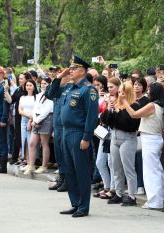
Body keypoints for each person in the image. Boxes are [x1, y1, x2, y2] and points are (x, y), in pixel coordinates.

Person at [48, 55, 99, 218]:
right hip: (65, 132)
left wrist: (86, 137)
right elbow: (51, 94)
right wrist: (59, 77)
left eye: (74, 68)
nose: (70, 70)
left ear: (83, 71)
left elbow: (92, 117)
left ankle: (83, 206)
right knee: (69, 170)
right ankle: (75, 203)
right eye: (70, 68)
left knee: (81, 171)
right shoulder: (70, 88)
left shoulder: (88, 90)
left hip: (78, 134)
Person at [121, 82, 164, 209]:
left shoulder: (152, 105)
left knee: (151, 171)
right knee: (157, 168)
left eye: (150, 89)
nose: (148, 91)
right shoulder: (160, 105)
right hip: (153, 138)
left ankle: (155, 201)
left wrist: (124, 101)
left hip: (150, 139)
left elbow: (134, 114)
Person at [101, 81, 140, 206]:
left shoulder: (134, 106)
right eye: (119, 92)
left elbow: (128, 124)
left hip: (128, 138)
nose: (120, 94)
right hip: (115, 137)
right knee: (116, 167)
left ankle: (132, 196)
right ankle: (118, 193)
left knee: (128, 168)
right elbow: (106, 121)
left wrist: (118, 109)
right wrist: (109, 109)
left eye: (122, 92)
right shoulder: (116, 104)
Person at [25, 78, 54, 175]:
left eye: (45, 83)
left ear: (49, 84)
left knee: (44, 143)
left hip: (46, 118)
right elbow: (35, 108)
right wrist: (32, 119)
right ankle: (31, 165)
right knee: (32, 142)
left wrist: (36, 121)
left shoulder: (51, 95)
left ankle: (44, 166)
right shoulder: (39, 95)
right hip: (36, 118)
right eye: (41, 83)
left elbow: (47, 110)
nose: (43, 85)